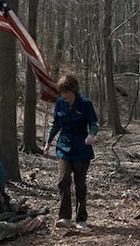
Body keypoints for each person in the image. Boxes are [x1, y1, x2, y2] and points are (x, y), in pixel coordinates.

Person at [44, 74, 98, 230]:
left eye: (65, 92)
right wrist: (48, 142)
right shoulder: (60, 103)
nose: (63, 95)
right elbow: (56, 124)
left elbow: (93, 124)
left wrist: (91, 135)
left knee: (80, 185)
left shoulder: (86, 104)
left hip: (81, 148)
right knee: (63, 180)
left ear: (73, 90)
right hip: (63, 146)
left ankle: (81, 219)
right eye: (61, 92)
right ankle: (65, 217)